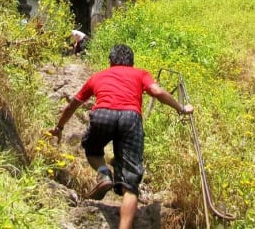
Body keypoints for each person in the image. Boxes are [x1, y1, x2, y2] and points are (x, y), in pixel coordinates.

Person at [49, 44, 194, 229]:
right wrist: (181, 109)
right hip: (131, 118)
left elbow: (73, 104)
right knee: (130, 183)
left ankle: (103, 174)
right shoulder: (140, 74)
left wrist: (59, 127)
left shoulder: (99, 76)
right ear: (132, 63)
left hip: (102, 114)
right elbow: (157, 92)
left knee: (92, 149)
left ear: (110, 61)